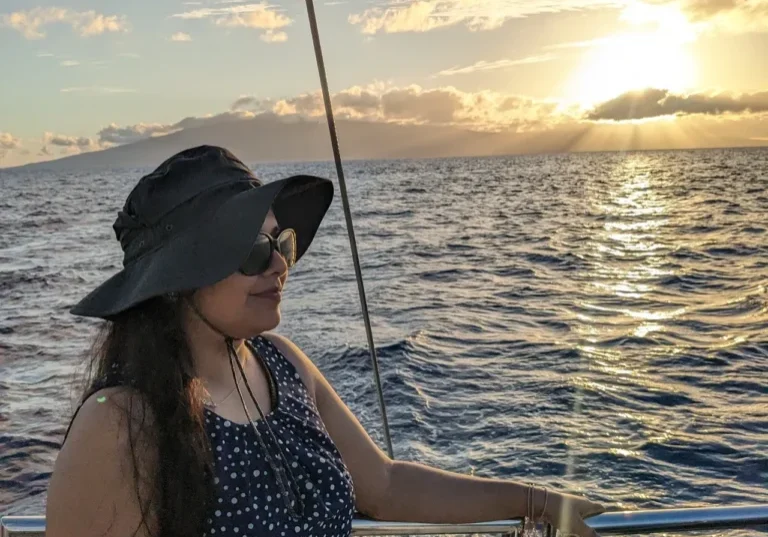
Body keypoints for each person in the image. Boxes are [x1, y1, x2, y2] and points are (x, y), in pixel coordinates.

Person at [45, 145, 605, 537]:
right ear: (177, 279)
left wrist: (538, 501)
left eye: (281, 243)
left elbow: (384, 485)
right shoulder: (118, 423)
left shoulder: (282, 366)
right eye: (252, 250)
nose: (280, 266)